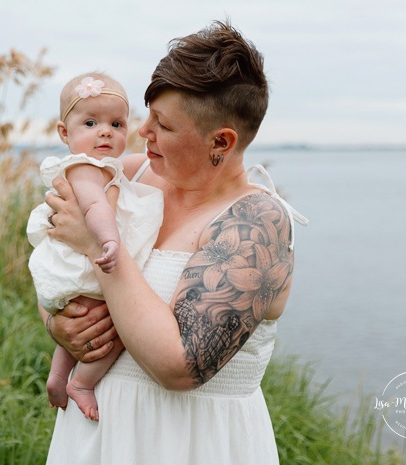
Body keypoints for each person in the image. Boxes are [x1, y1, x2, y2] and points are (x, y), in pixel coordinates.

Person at [40, 20, 309, 464]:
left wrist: (98, 248)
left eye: (162, 124)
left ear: (220, 142)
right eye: (147, 115)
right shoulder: (126, 175)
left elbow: (180, 366)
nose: (142, 132)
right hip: (94, 438)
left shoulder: (256, 223)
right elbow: (55, 261)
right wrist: (59, 325)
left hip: (192, 445)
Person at [26, 73, 163, 421]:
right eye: (90, 122)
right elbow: (95, 208)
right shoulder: (87, 169)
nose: (105, 131)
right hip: (90, 263)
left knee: (83, 321)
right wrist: (109, 240)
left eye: (116, 123)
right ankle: (82, 383)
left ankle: (58, 375)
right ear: (64, 133)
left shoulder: (107, 168)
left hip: (78, 265)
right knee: (115, 327)